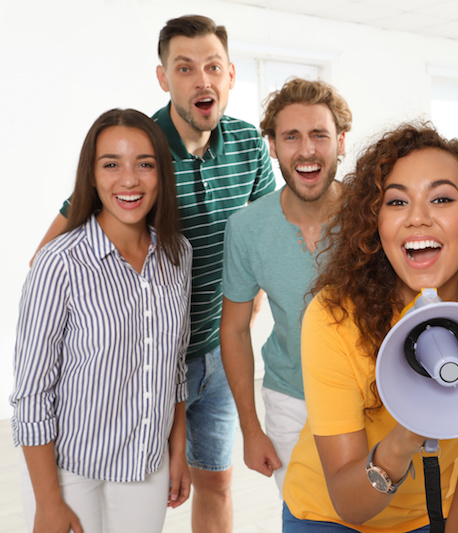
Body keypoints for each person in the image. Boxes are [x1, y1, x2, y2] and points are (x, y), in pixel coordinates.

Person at [30, 15, 276, 532]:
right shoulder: (137, 147)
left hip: (218, 351)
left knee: (217, 483)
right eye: (185, 68)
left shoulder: (250, 144)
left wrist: (246, 310)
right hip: (152, 363)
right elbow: (52, 250)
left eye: (212, 66)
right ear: (164, 78)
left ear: (231, 74)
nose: (201, 79)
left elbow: (263, 238)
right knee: (135, 490)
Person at [280, 124, 458, 532]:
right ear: (376, 227)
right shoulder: (334, 317)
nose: (417, 217)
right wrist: (407, 436)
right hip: (327, 515)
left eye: (442, 198)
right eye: (397, 201)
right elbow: (350, 503)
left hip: (428, 517)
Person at [11, 108, 192, 533]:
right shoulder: (59, 262)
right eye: (111, 164)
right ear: (90, 176)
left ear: (161, 175)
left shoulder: (178, 254)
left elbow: (174, 366)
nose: (128, 180)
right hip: (70, 468)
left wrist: (176, 452)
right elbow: (32, 393)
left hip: (147, 462)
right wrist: (48, 500)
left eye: (144, 164)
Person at [220, 78, 352, 496]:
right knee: (303, 516)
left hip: (367, 396)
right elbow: (235, 329)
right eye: (291, 137)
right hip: (288, 402)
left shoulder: (375, 216)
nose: (307, 150)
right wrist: (251, 428)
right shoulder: (246, 228)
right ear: (273, 147)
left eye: (319, 135)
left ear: (342, 142)